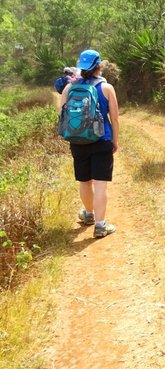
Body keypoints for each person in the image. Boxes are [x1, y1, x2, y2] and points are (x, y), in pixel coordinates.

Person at [60, 49, 120, 238]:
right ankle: (100, 226)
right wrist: (115, 141)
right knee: (100, 184)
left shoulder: (69, 89)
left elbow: (62, 115)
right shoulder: (106, 88)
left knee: (84, 182)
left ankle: (88, 215)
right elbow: (115, 119)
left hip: (78, 142)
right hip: (102, 140)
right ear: (99, 66)